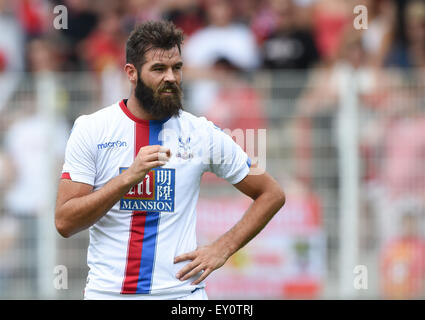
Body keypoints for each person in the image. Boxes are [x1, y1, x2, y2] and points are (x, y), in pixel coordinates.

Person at [55, 20, 285, 300]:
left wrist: (223, 247)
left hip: (180, 296)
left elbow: (271, 193)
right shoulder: (92, 128)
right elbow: (65, 222)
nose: (171, 78)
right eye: (159, 69)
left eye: (177, 68)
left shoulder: (201, 133)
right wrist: (128, 178)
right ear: (131, 73)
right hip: (109, 294)